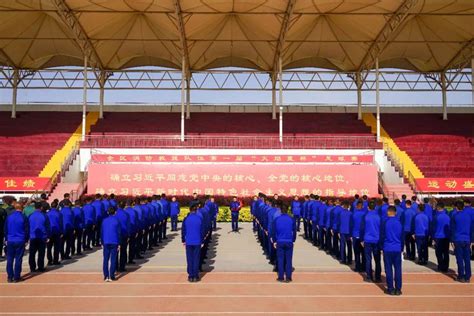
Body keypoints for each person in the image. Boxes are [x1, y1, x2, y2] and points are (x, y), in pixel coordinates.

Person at [381, 206, 403, 296]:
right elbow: (402, 236)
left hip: (387, 248)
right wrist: (401, 248)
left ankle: (390, 288)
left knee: (388, 269)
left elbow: (382, 236)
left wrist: (381, 247)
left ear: (388, 212)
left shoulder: (385, 222)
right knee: (398, 269)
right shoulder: (399, 223)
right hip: (397, 248)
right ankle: (398, 289)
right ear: (395, 213)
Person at [4, 202, 29, 282]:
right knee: (18, 259)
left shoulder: (9, 217)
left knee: (10, 259)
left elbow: (5, 229)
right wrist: (26, 240)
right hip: (20, 239)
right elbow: (26, 230)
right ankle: (16, 276)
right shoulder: (24, 217)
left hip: (11, 239)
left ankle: (10, 276)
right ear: (22, 208)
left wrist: (6, 239)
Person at [272, 204, 296, 282]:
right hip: (289, 240)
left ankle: (281, 276)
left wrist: (274, 241)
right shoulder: (291, 219)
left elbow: (274, 231)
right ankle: (288, 277)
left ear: (280, 210)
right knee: (288, 260)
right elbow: (294, 231)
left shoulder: (277, 219)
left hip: (280, 241)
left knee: (280, 259)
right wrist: (293, 240)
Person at [450, 200, 472, 283]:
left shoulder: (454, 216)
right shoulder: (468, 216)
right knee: (467, 259)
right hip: (467, 239)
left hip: (458, 239)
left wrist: (452, 240)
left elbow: (452, 229)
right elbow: (471, 229)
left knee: (459, 259)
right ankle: (467, 277)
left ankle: (461, 276)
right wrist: (471, 240)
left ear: (456, 207)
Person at [182, 201, 203, 282]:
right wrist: (202, 240)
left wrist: (183, 240)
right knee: (196, 259)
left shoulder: (186, 219)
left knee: (189, 259)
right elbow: (202, 230)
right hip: (197, 241)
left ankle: (190, 275)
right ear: (196, 209)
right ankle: (196, 276)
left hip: (189, 241)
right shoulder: (199, 218)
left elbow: (183, 231)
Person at [361, 201, 381, 283]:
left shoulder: (365, 216)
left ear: (368, 207)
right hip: (376, 240)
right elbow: (381, 229)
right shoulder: (379, 217)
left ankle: (369, 276)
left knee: (368, 259)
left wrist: (362, 239)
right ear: (375, 207)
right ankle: (378, 277)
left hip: (368, 239)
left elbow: (362, 229)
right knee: (377, 260)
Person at [28, 202, 50, 272]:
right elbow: (47, 227)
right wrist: (48, 236)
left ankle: (32, 268)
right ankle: (40, 267)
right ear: (41, 207)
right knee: (41, 253)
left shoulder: (30, 215)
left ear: (34, 207)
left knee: (32, 253)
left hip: (33, 236)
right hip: (42, 237)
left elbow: (27, 226)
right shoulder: (44, 216)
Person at [101, 207, 121, 282]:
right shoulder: (116, 220)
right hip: (114, 241)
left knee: (105, 259)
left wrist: (102, 242)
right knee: (113, 259)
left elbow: (102, 232)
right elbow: (119, 233)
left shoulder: (104, 221)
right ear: (115, 212)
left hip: (106, 241)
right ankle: (111, 275)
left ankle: (106, 275)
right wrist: (119, 243)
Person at [432, 202, 450, 272]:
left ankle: (440, 265)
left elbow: (433, 228)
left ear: (438, 208)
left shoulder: (436, 217)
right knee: (446, 252)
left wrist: (432, 237)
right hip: (446, 236)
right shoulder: (447, 216)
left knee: (439, 253)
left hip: (438, 236)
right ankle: (446, 267)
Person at [115, 202, 130, 272]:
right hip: (124, 234)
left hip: (116, 235)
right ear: (124, 206)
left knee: (115, 251)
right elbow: (128, 226)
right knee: (123, 251)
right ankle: (122, 267)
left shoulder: (115, 214)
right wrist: (129, 235)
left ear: (118, 206)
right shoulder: (126, 214)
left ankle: (115, 267)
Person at [47, 201, 63, 266]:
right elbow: (61, 224)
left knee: (49, 248)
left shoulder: (47, 213)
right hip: (57, 231)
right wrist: (62, 232)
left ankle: (50, 261)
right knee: (56, 247)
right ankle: (55, 260)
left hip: (49, 232)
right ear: (56, 206)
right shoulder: (59, 214)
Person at [352, 201, 366, 272]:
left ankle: (357, 267)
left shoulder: (354, 214)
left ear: (357, 206)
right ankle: (364, 267)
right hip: (363, 235)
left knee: (357, 253)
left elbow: (351, 224)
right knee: (364, 253)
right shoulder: (365, 214)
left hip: (355, 234)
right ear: (362, 206)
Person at [338, 201, 353, 265]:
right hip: (349, 231)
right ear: (348, 206)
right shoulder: (351, 213)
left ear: (343, 206)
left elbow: (339, 222)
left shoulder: (340, 213)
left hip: (342, 231)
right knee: (349, 246)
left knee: (342, 245)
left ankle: (343, 259)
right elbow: (352, 224)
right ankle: (349, 260)